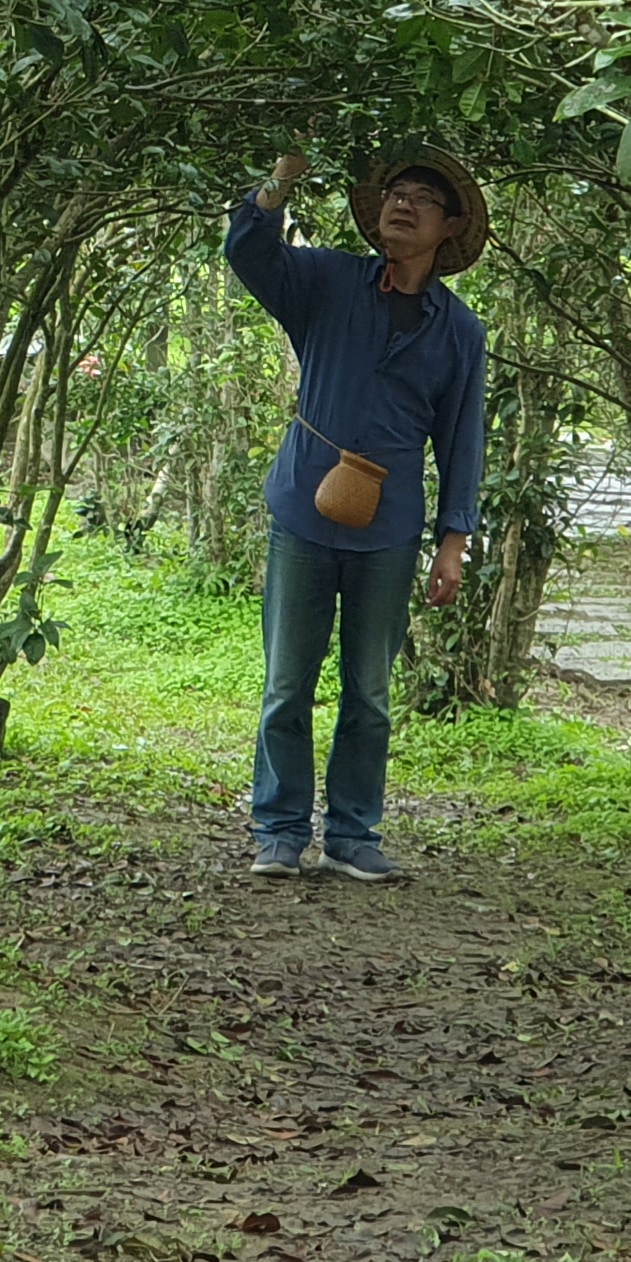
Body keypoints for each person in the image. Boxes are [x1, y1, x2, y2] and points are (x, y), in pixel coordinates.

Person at [225, 147, 490, 882]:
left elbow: (462, 439)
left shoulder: (459, 331)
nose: (401, 205)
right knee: (287, 683)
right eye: (394, 194)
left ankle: (352, 835)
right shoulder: (327, 281)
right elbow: (248, 253)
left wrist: (452, 543)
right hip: (303, 510)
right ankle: (278, 831)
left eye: (422, 200)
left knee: (369, 691)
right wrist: (277, 181)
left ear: (450, 227)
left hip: (390, 527)